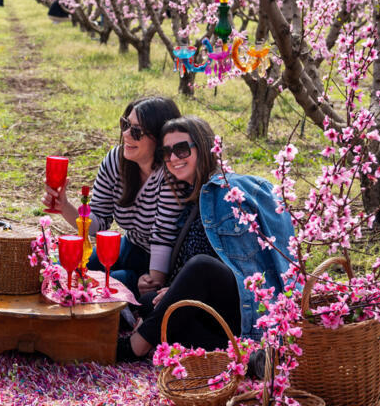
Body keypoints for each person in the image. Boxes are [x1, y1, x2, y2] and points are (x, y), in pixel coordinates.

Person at [121, 115, 294, 363]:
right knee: (151, 302)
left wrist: (181, 287)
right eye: (166, 152)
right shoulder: (192, 198)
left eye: (181, 149)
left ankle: (136, 346)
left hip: (245, 306)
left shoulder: (224, 193)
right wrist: (173, 290)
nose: (173, 158)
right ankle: (243, 355)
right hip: (213, 307)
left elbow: (243, 268)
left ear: (202, 148)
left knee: (199, 267)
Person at [43, 96, 184, 297]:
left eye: (136, 131)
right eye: (125, 124)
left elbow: (163, 237)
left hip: (159, 263)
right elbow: (98, 221)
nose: (126, 134)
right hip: (127, 246)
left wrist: (155, 281)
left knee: (100, 286)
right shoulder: (116, 160)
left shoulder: (170, 174)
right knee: (60, 272)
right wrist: (64, 206)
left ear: (160, 138)